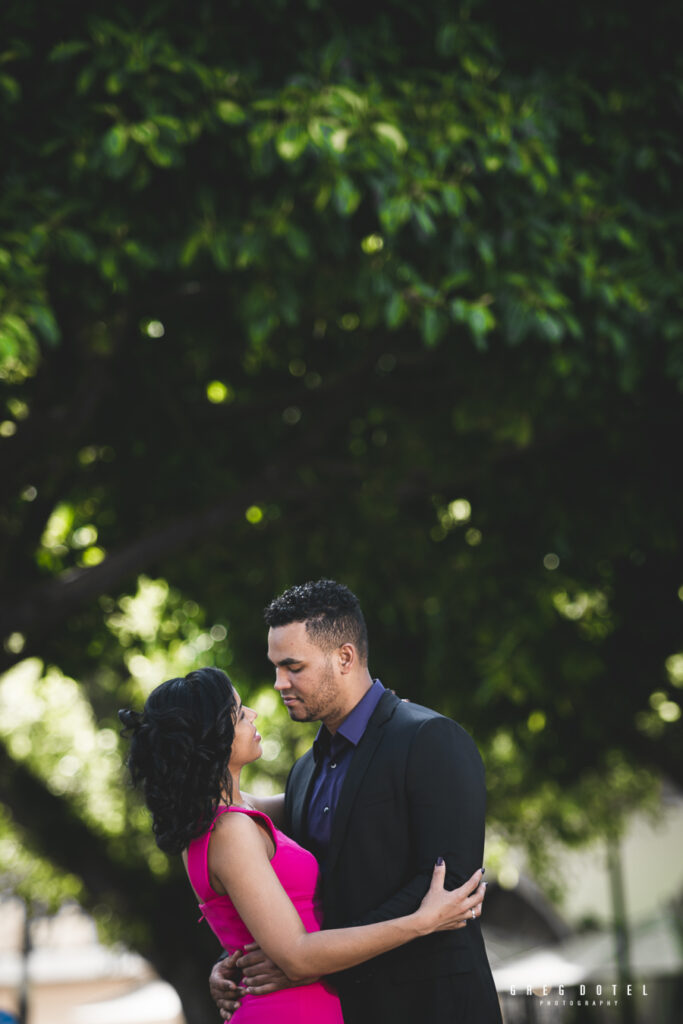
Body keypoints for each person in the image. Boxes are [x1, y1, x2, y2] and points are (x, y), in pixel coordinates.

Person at [119, 666, 486, 1023]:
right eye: (237, 712)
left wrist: (389, 732)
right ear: (211, 737)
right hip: (289, 1011)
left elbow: (338, 797)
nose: (252, 713)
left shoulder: (229, 817)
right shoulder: (230, 830)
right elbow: (297, 957)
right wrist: (422, 921)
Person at [211, 579, 502, 1024]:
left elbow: (450, 884)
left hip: (435, 1006)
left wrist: (308, 957)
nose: (278, 683)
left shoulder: (429, 739)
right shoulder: (305, 770)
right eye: (275, 667)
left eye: (293, 667)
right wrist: (235, 964)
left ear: (344, 657)